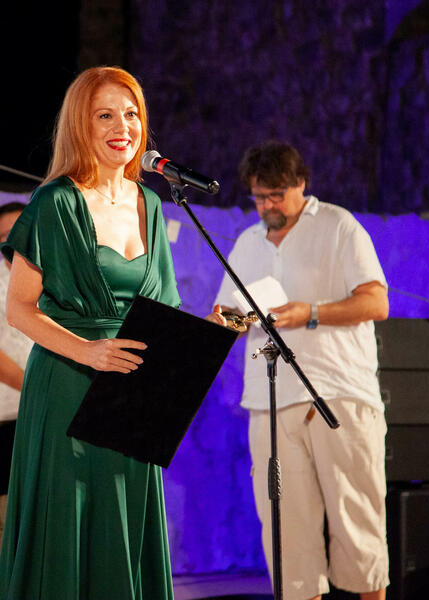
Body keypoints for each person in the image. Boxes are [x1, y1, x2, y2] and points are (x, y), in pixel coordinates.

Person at [0, 66, 222, 600]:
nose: (123, 127)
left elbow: (159, 311)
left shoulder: (152, 203)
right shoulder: (56, 202)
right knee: (67, 529)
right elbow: (19, 310)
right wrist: (89, 351)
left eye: (131, 114)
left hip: (131, 396)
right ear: (81, 124)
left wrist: (207, 332)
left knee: (122, 529)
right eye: (105, 115)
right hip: (67, 385)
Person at [214, 140, 390, 600]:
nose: (267, 206)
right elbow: (230, 314)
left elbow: (377, 302)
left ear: (300, 184)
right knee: (287, 537)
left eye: (276, 195)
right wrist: (225, 321)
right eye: (258, 196)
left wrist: (309, 312)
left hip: (337, 394)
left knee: (358, 528)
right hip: (269, 401)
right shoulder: (247, 243)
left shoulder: (338, 225)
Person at [0, 201, 33, 548]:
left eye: (17, 232)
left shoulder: (53, 278)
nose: (11, 242)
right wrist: (37, 386)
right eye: (3, 237)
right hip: (6, 418)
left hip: (42, 417)